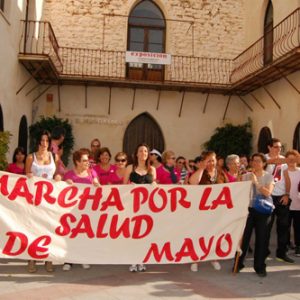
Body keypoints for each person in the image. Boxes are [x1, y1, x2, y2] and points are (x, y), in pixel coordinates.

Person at [25, 130, 59, 273]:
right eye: (42, 140)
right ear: (38, 142)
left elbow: (57, 173)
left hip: (50, 199)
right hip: (33, 198)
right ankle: (31, 259)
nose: (45, 143)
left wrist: (58, 177)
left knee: (49, 228)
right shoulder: (30, 157)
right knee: (33, 228)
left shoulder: (54, 156)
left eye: (47, 140)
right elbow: (25, 176)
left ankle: (48, 259)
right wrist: (29, 175)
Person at [235, 153, 274, 277]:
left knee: (261, 239)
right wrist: (239, 178)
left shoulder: (268, 177)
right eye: (253, 160)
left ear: (264, 163)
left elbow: (267, 193)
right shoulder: (246, 176)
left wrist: (256, 182)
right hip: (247, 210)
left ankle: (260, 266)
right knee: (244, 239)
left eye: (258, 161)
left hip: (262, 211)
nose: (255, 163)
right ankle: (238, 264)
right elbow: (236, 190)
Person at [62, 148, 100, 271]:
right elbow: (61, 191)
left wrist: (96, 184)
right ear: (77, 162)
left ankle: (83, 258)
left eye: (87, 160)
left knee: (85, 234)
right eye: (84, 160)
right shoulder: (69, 175)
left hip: (87, 209)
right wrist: (65, 183)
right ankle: (69, 260)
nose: (87, 162)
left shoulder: (92, 173)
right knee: (71, 234)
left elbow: (97, 184)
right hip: (72, 210)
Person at [189, 151, 224, 271]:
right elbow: (193, 182)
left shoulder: (220, 174)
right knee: (199, 235)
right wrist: (201, 169)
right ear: (204, 162)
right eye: (208, 160)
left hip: (216, 211)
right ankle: (195, 259)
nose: (211, 163)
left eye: (213, 160)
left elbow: (229, 189)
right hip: (201, 211)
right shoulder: (200, 173)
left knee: (214, 235)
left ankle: (213, 258)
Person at [123, 143, 156, 272]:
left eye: (146, 151)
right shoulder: (130, 168)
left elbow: (155, 187)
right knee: (133, 233)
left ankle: (142, 259)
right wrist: (129, 187)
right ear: (136, 154)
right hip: (132, 206)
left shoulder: (151, 169)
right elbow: (123, 186)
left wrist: (154, 184)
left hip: (147, 206)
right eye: (141, 151)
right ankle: (132, 259)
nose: (143, 154)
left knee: (145, 234)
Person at [265, 138, 294, 264]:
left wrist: (287, 194)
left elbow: (287, 178)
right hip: (268, 196)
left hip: (282, 197)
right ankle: (263, 252)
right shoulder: (263, 159)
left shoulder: (284, 162)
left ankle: (282, 253)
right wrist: (287, 159)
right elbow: (271, 161)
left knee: (284, 226)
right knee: (266, 226)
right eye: (276, 146)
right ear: (269, 147)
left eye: (280, 147)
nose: (279, 149)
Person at [283, 150, 300, 256]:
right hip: (286, 204)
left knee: (298, 227)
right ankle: (285, 244)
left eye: (293, 159)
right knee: (285, 226)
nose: (291, 161)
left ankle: (298, 246)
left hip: (298, 204)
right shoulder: (282, 171)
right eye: (289, 159)